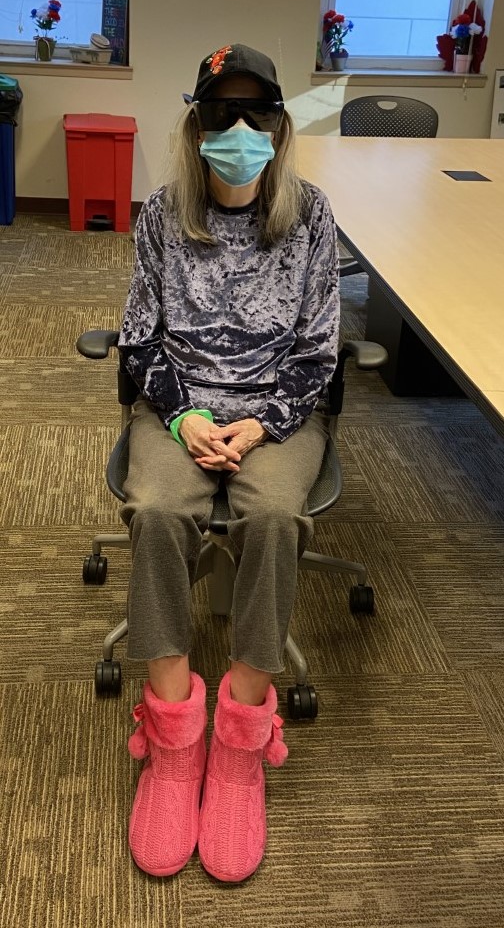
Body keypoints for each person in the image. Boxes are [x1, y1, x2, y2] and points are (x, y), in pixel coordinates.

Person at [119, 43, 340, 883]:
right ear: (196, 123)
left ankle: (242, 740)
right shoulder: (160, 215)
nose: (240, 129)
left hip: (275, 415)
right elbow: (141, 336)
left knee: (278, 515)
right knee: (158, 508)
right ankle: (174, 739)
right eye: (221, 113)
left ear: (280, 128)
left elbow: (319, 349)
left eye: (257, 114)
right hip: (181, 406)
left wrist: (259, 424)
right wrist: (186, 414)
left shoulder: (313, 216)